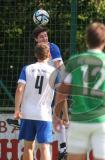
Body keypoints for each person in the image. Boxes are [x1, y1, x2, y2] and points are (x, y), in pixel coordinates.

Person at [54, 22, 105, 160]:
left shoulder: (74, 61)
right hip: (104, 121)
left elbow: (62, 93)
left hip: (79, 120)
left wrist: (56, 116)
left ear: (86, 40)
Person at [14, 43, 58, 160]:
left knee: (28, 146)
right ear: (49, 54)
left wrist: (17, 109)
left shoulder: (27, 69)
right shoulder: (54, 72)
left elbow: (19, 89)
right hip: (44, 114)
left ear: (35, 55)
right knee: (44, 147)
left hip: (27, 113)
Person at [32, 26, 68, 159]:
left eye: (46, 36)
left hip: (54, 84)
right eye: (42, 37)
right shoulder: (38, 51)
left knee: (55, 114)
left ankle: (63, 146)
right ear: (36, 40)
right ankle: (60, 147)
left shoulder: (53, 48)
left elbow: (59, 66)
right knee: (41, 118)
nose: (45, 38)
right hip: (44, 88)